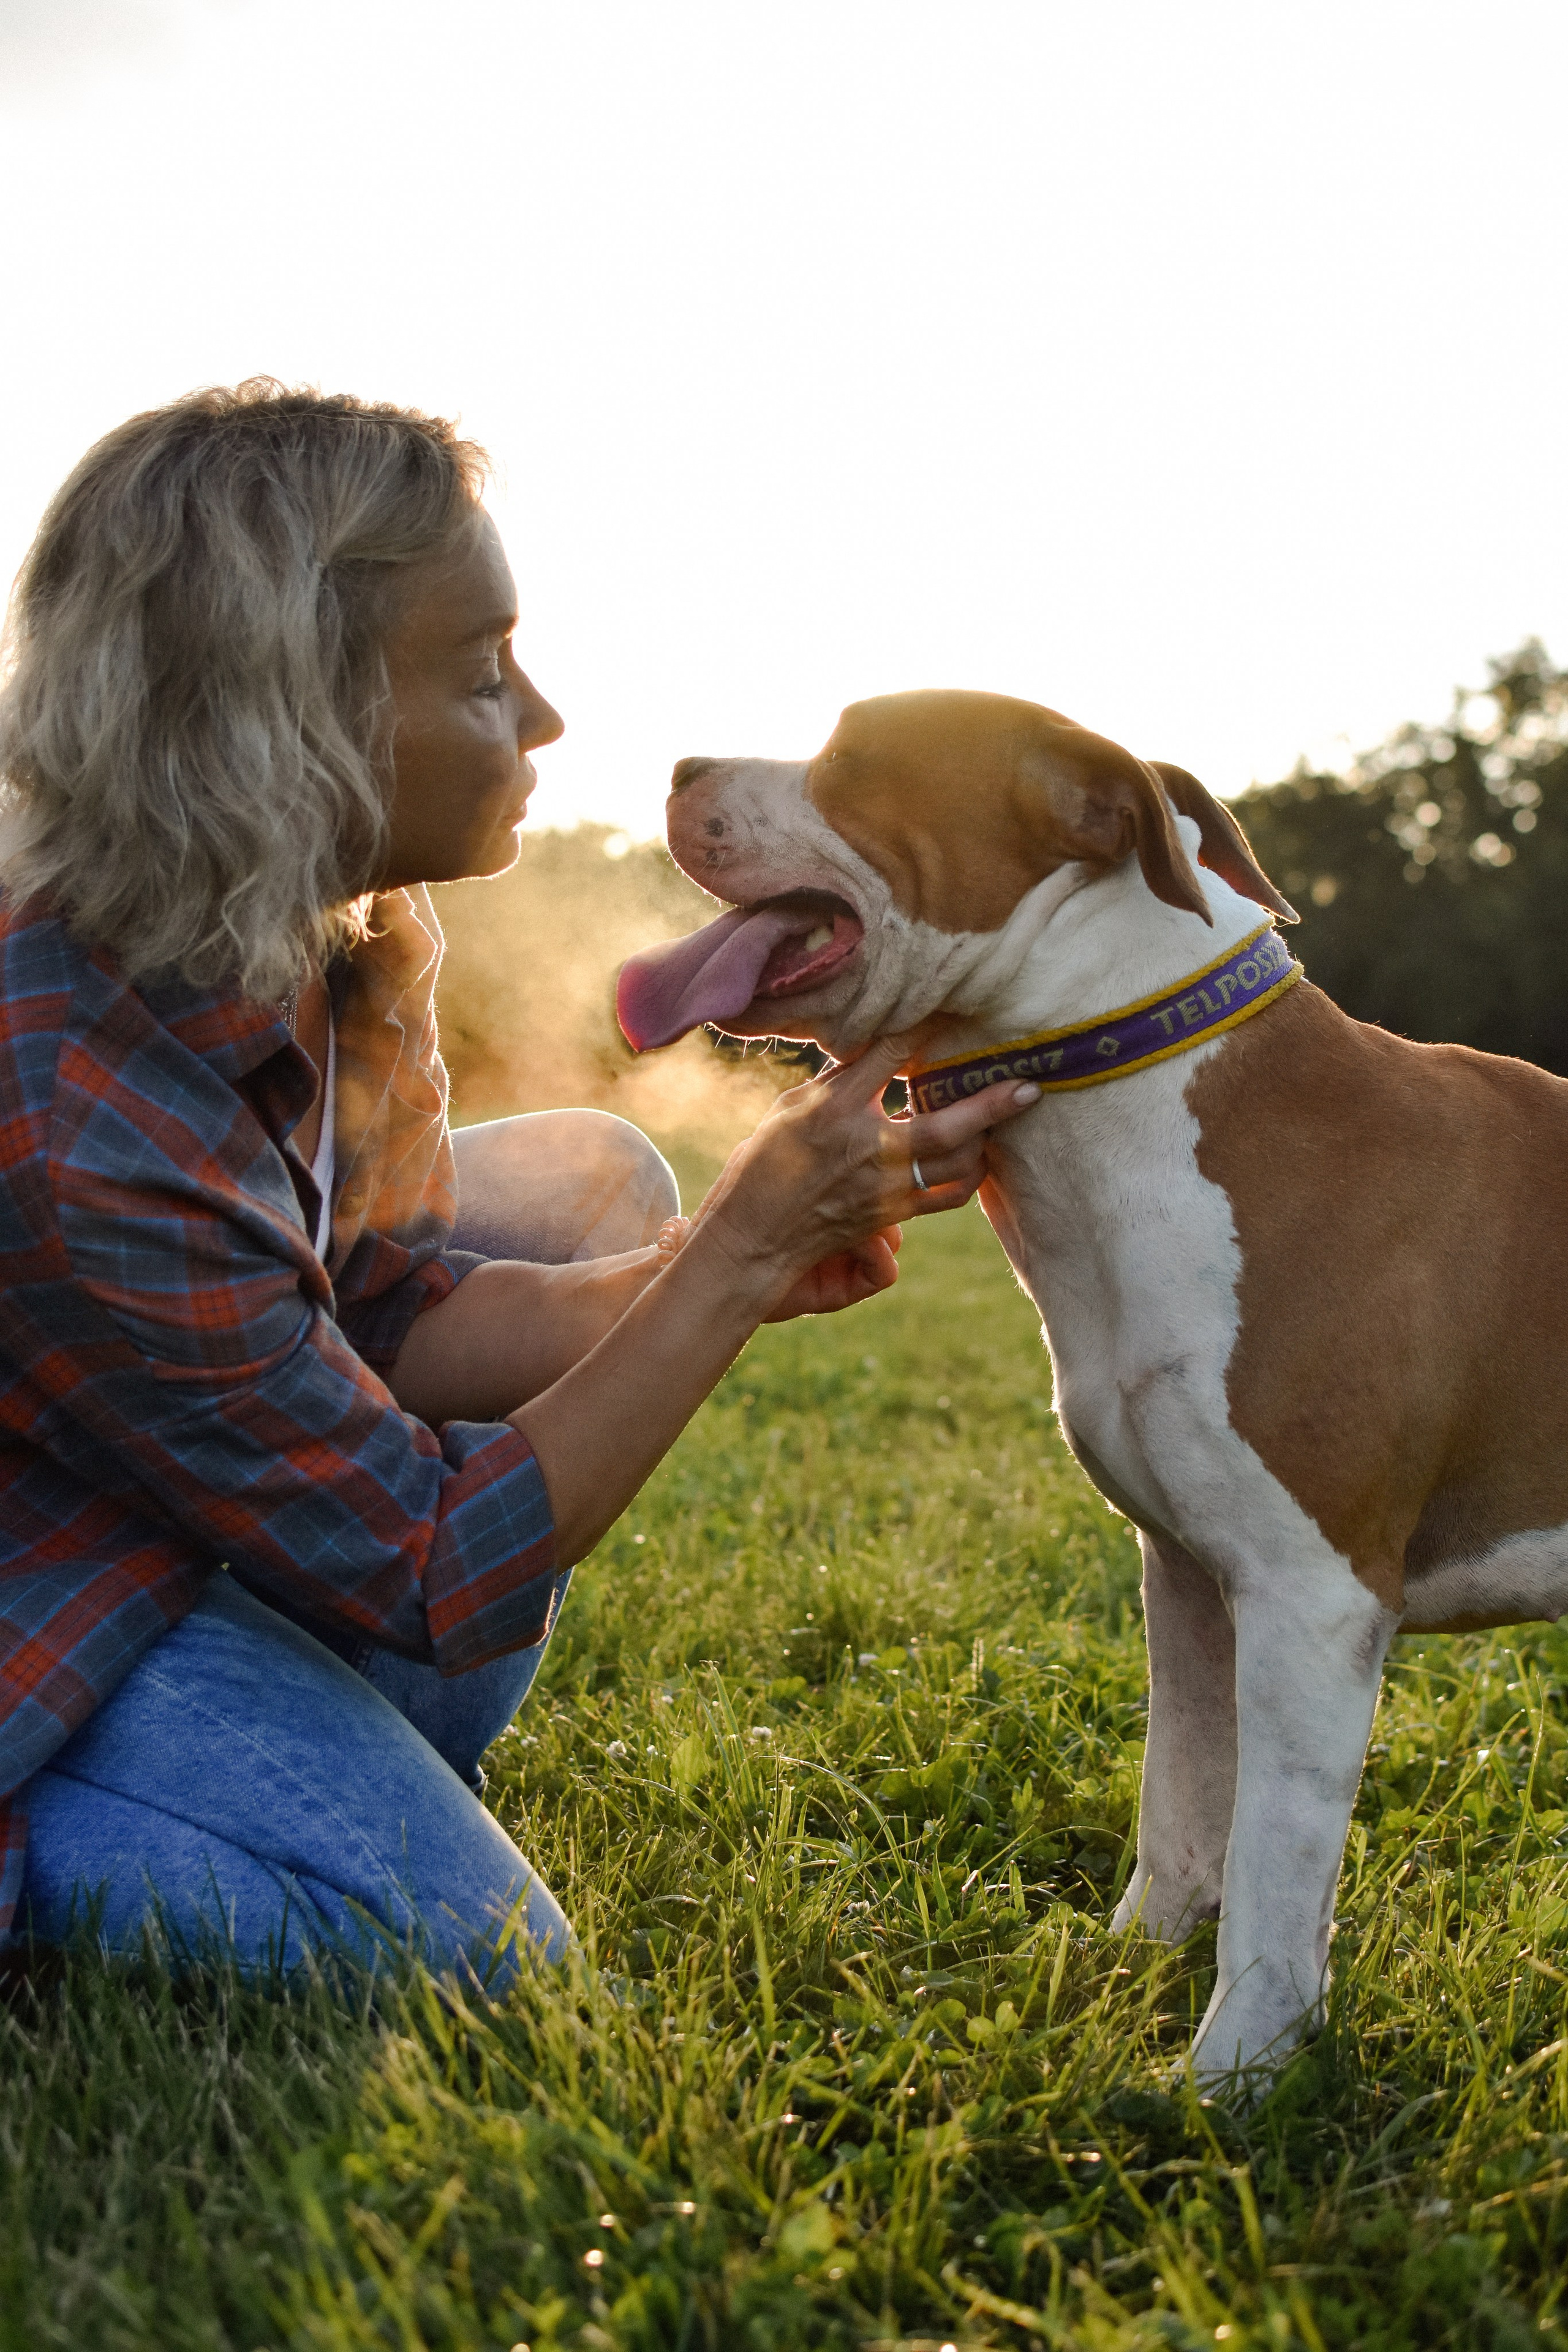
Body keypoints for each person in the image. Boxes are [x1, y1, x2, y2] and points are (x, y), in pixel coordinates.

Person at [0, 382, 1038, 1986]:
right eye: (483, 672)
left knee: (593, 1183)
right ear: (291, 715)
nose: (544, 717)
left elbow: (396, 1308)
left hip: (150, 1484)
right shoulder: (70, 1102)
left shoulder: (351, 927)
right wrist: (735, 1263)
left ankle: (335, 1759)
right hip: (50, 1590)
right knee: (477, 1959)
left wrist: (684, 1270)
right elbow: (432, 1565)